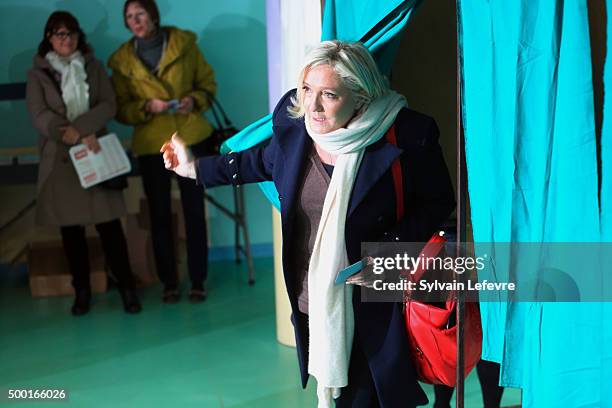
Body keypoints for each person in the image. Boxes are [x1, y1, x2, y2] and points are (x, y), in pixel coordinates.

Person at [162, 40, 455, 407]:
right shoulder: (295, 123)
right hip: (313, 298)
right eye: (307, 89)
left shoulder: (409, 133)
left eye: (328, 95)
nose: (312, 106)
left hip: (375, 297)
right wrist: (193, 168)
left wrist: (387, 251)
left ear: (361, 97)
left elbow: (439, 201)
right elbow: (261, 162)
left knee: (369, 396)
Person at [26, 11, 141, 316]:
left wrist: (84, 128)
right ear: (49, 38)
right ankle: (82, 290)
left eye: (72, 33)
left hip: (95, 153)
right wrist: (73, 134)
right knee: (71, 232)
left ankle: (127, 287)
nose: (67, 39)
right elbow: (39, 115)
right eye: (60, 34)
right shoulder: (37, 75)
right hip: (62, 159)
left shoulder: (94, 67)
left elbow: (108, 104)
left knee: (110, 227)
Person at [108, 0, 216, 303]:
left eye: (140, 14)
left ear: (153, 15)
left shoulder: (184, 44)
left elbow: (207, 83)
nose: (135, 20)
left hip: (191, 136)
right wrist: (145, 107)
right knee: (159, 215)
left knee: (194, 212)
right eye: (129, 17)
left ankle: (198, 279)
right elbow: (121, 108)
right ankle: (169, 281)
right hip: (151, 145)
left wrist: (193, 100)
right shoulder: (121, 61)